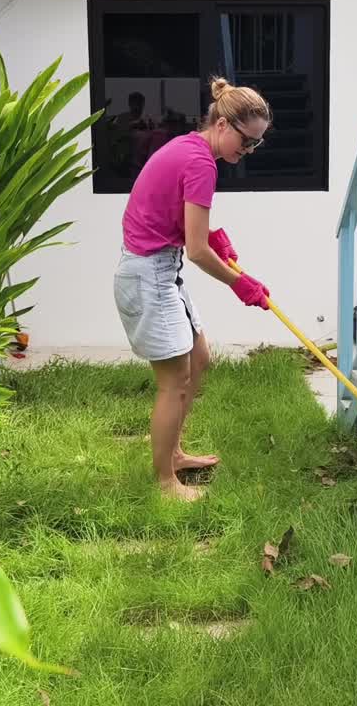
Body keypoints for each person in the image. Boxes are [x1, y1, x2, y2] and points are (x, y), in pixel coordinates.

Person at [113, 77, 272, 501]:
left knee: (199, 359)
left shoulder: (188, 147)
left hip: (160, 268)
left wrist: (214, 239)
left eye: (256, 143)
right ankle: (165, 482)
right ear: (221, 124)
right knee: (174, 382)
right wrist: (242, 285)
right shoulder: (201, 163)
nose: (249, 150)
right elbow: (198, 251)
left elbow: (180, 222)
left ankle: (174, 454)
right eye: (246, 140)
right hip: (149, 274)